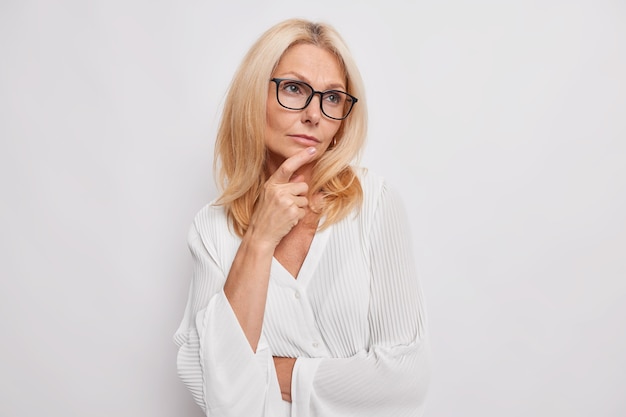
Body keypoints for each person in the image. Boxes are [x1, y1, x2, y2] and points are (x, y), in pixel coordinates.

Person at [173, 18, 430, 417]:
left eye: (332, 98)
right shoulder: (212, 229)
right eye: (294, 88)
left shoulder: (374, 204)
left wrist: (271, 372)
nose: (314, 114)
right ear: (253, 95)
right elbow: (222, 398)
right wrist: (259, 239)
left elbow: (405, 379)